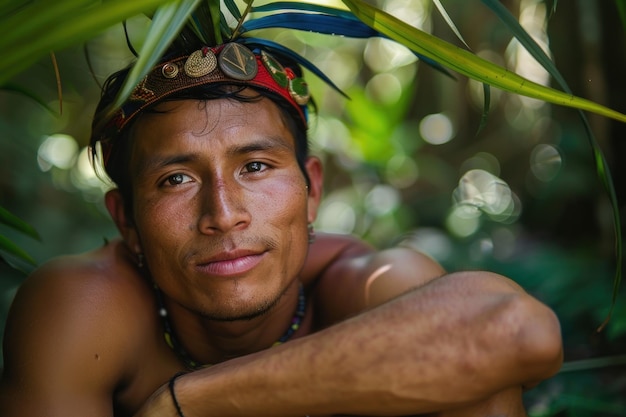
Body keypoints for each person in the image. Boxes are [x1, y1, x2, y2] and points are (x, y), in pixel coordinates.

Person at [0, 38, 562, 417]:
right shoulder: (86, 305)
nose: (223, 214)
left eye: (256, 167)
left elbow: (519, 331)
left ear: (313, 190)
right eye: (175, 179)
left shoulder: (362, 284)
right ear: (126, 221)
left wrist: (187, 402)